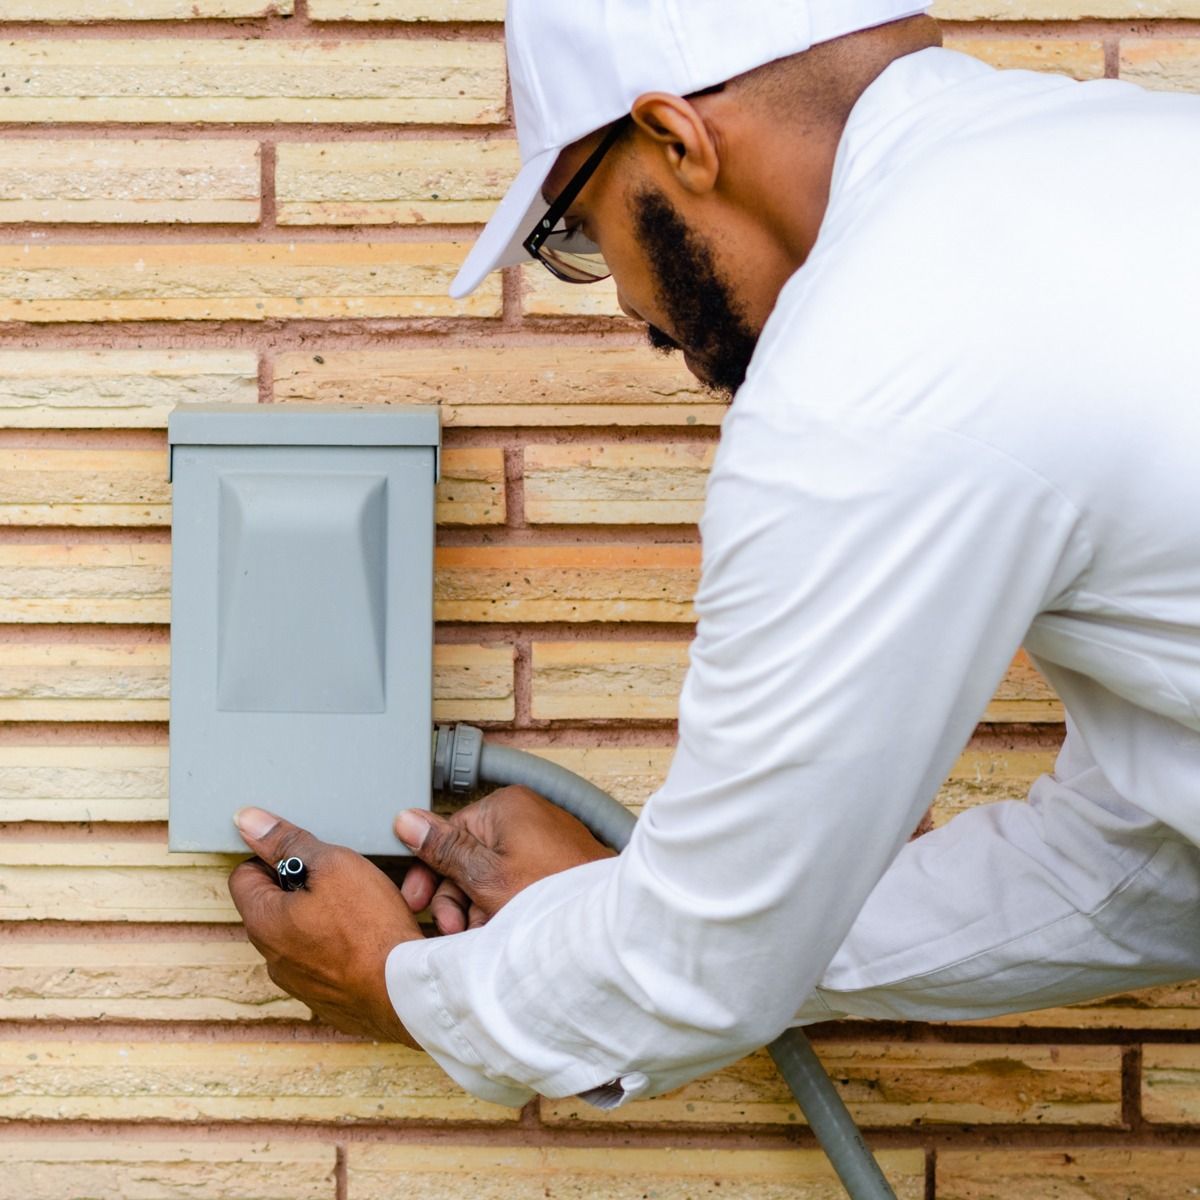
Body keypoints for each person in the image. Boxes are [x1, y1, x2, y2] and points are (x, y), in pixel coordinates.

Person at [229, 0, 1200, 1113]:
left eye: (582, 233)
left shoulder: (873, 365)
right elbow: (1145, 861)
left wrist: (403, 987)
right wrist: (654, 910)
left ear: (677, 139)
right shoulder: (1135, 162)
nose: (638, 315)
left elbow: (695, 974)